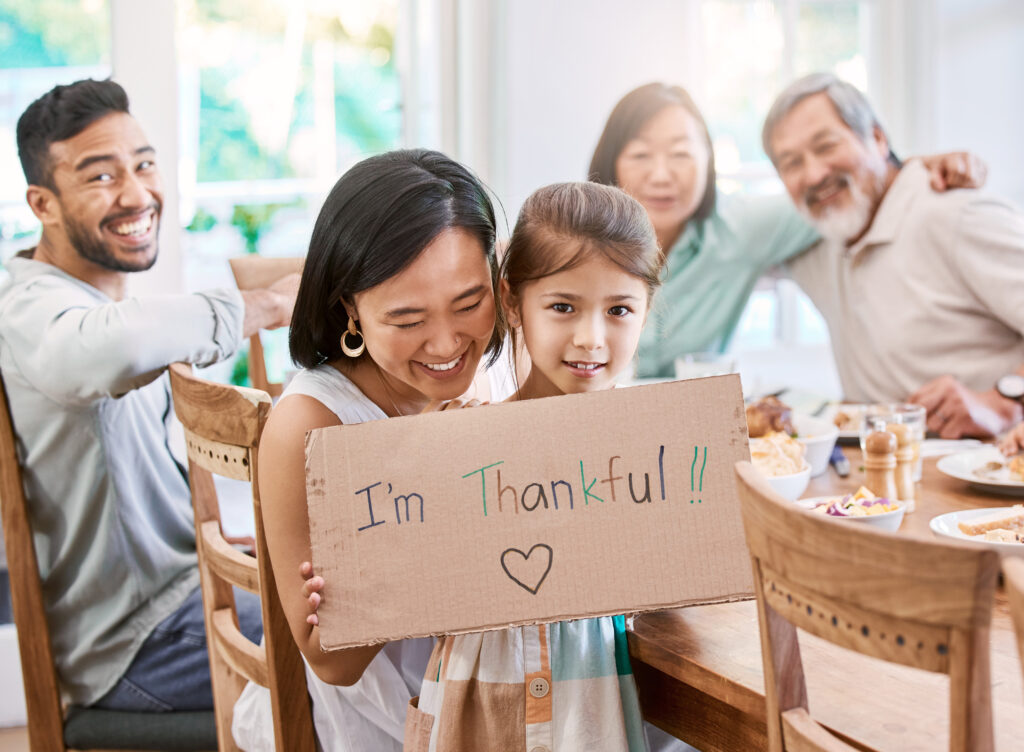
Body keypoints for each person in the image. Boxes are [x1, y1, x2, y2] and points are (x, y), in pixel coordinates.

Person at [302, 181, 660, 751]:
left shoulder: (657, 449)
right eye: (563, 307)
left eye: (620, 310)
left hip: (597, 709)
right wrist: (357, 584)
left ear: (646, 311)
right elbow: (378, 601)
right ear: (512, 302)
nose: (591, 338)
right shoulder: (454, 443)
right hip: (478, 710)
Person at [0, 79, 297, 710]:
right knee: (369, 641)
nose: (137, 194)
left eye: (144, 165)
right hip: (138, 645)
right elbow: (117, 348)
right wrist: (267, 304)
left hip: (180, 600)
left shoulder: (91, 299)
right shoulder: (31, 310)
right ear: (43, 204)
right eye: (100, 177)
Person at [236, 148, 516, 751]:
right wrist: (432, 476)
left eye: (469, 303)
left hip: (490, 685)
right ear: (350, 311)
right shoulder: (310, 426)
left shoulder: (492, 374)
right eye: (407, 318)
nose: (447, 342)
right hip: (383, 717)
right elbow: (332, 663)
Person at [588, 82, 987, 379]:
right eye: (641, 155)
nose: (662, 176)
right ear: (613, 163)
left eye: (680, 153)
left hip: (691, 438)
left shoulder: (742, 228)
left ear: (709, 161)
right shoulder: (575, 242)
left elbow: (841, 185)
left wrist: (917, 166)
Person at [763, 72, 1024, 439]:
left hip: (990, 473)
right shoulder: (816, 238)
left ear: (878, 138)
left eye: (826, 146)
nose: (814, 174)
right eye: (791, 163)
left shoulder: (953, 215)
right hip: (881, 478)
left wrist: (1003, 400)